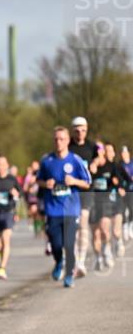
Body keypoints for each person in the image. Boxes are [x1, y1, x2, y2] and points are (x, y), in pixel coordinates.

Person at [38, 126, 91, 288]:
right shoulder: (47, 161)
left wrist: (74, 181)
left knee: (69, 244)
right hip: (53, 209)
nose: (58, 142)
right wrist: (45, 183)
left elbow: (87, 183)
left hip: (71, 209)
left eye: (61, 139)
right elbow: (38, 180)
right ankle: (59, 262)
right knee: (55, 244)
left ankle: (69, 275)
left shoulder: (75, 160)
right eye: (56, 139)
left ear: (68, 141)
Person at [89, 142, 130, 269]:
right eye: (98, 150)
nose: (101, 152)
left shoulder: (113, 166)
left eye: (102, 150)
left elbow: (123, 180)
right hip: (92, 202)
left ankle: (108, 249)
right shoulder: (90, 166)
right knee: (95, 234)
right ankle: (98, 257)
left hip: (109, 201)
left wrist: (120, 186)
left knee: (106, 230)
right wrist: (92, 167)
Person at [68, 116, 97, 277]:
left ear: (87, 130)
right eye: (77, 131)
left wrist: (95, 163)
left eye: (83, 130)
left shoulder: (92, 146)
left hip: (87, 190)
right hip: (72, 192)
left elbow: (101, 155)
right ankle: (74, 259)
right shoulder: (68, 147)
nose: (80, 133)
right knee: (74, 227)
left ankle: (81, 262)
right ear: (73, 131)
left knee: (83, 223)